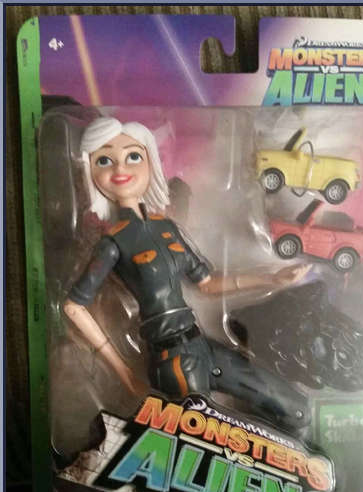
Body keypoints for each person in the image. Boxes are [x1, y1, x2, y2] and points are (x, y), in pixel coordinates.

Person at [64, 117, 311, 432]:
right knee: (203, 436)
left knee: (294, 408)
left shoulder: (166, 228)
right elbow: (73, 305)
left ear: (150, 162)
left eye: (133, 156)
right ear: (90, 170)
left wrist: (272, 278)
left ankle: (297, 456)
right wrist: (124, 373)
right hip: (171, 359)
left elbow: (206, 284)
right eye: (104, 160)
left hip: (201, 345)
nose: (120, 168)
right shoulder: (114, 242)